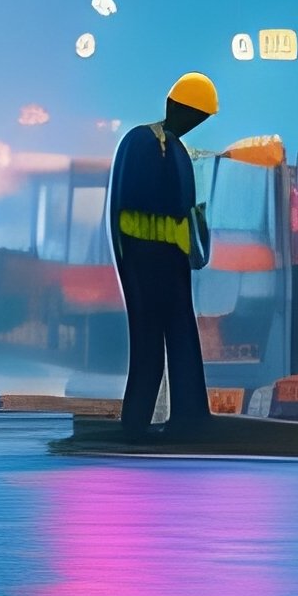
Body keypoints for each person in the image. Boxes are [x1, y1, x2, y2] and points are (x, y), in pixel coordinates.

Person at [108, 72, 218, 441]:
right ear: (176, 108)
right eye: (194, 116)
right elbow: (135, 208)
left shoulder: (169, 148)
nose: (194, 125)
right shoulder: (145, 143)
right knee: (151, 339)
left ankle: (180, 417)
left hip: (167, 260)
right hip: (149, 260)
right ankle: (139, 421)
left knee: (172, 337)